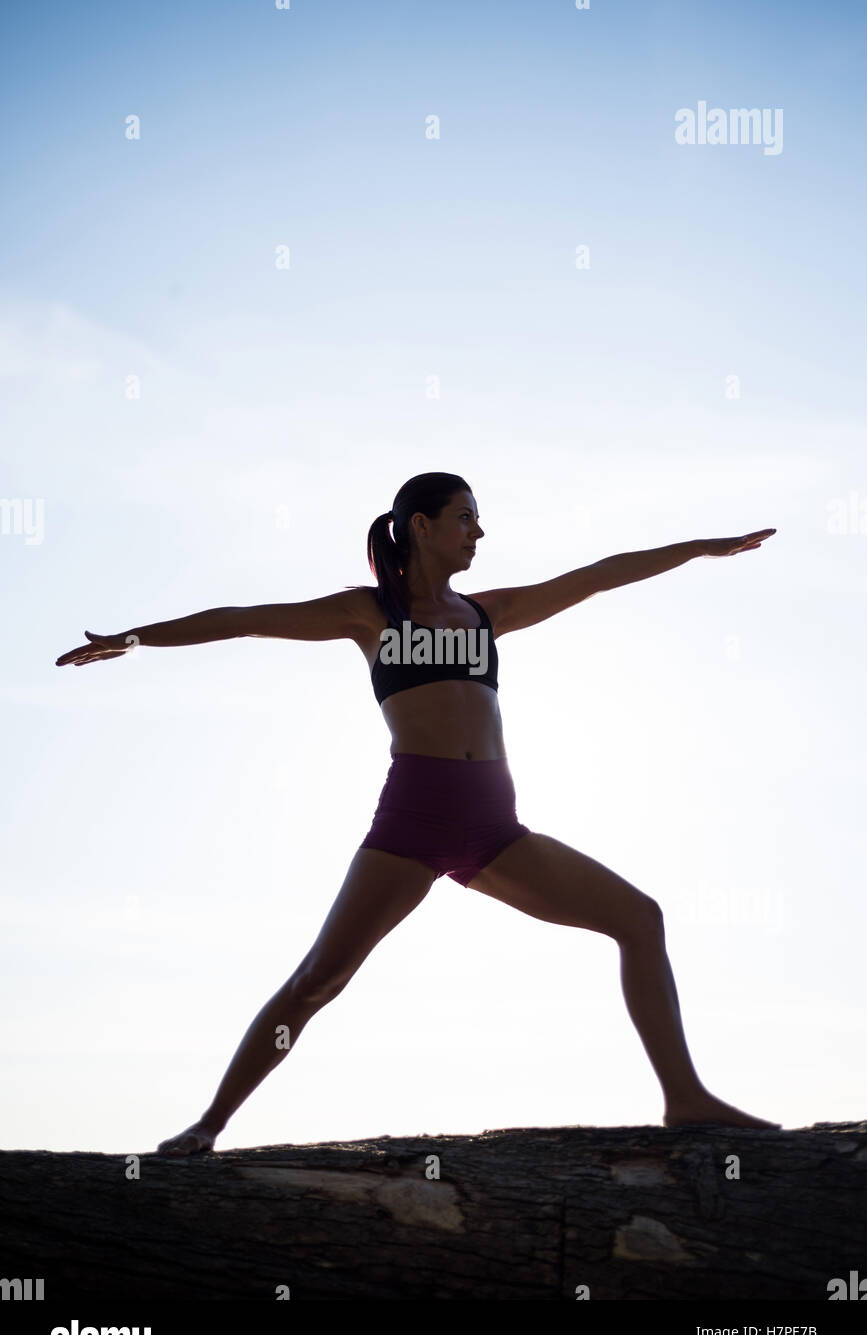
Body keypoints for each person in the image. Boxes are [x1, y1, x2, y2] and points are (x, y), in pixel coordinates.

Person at [56, 472, 781, 1153]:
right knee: (320, 979)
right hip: (413, 821)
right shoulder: (367, 614)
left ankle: (684, 1098)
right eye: (466, 518)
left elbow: (598, 575)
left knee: (638, 918)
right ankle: (206, 1127)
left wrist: (701, 549)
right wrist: (137, 637)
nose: (479, 532)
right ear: (422, 526)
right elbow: (242, 619)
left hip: (496, 830)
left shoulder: (486, 614)